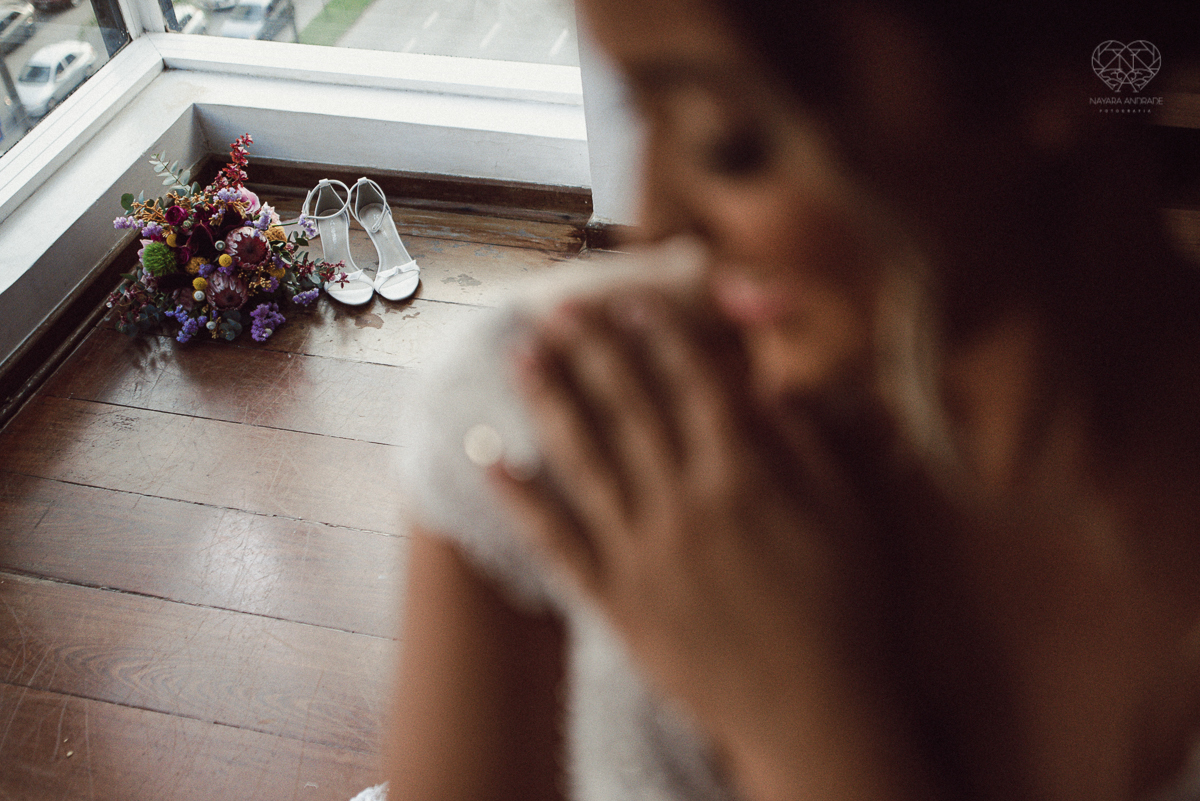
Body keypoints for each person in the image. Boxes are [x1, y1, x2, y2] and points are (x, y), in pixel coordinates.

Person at [385, 1, 1200, 800]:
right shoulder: (557, 407)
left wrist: (805, 728)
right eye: (641, 108)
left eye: (730, 143)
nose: (653, 222)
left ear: (1047, 69)